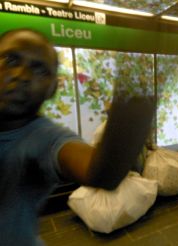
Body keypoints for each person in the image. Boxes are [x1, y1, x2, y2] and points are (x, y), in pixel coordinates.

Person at [0, 29, 154, 246]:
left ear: (52, 89)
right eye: (10, 59)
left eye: (40, 71)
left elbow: (101, 171)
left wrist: (135, 81)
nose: (21, 75)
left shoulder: (43, 138)